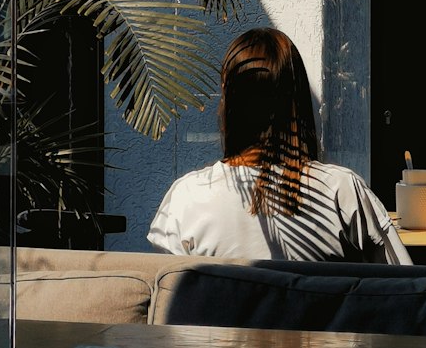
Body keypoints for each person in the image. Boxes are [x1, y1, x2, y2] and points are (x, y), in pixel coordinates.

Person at [147, 27, 412, 264]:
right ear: (298, 101)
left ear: (228, 103)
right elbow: (405, 287)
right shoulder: (340, 192)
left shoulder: (187, 197)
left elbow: (166, 297)